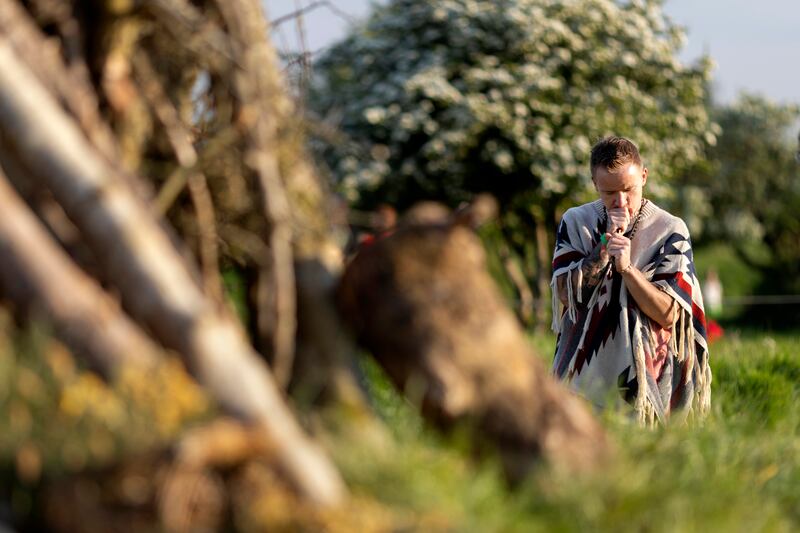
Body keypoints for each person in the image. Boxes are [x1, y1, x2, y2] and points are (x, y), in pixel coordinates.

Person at [550, 136, 711, 424]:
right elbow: (565, 296)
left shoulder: (670, 230)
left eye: (629, 189)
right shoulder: (575, 221)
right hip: (580, 375)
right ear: (594, 184)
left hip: (645, 379)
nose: (621, 201)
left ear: (644, 176)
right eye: (610, 192)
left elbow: (669, 313)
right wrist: (602, 248)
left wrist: (627, 269)